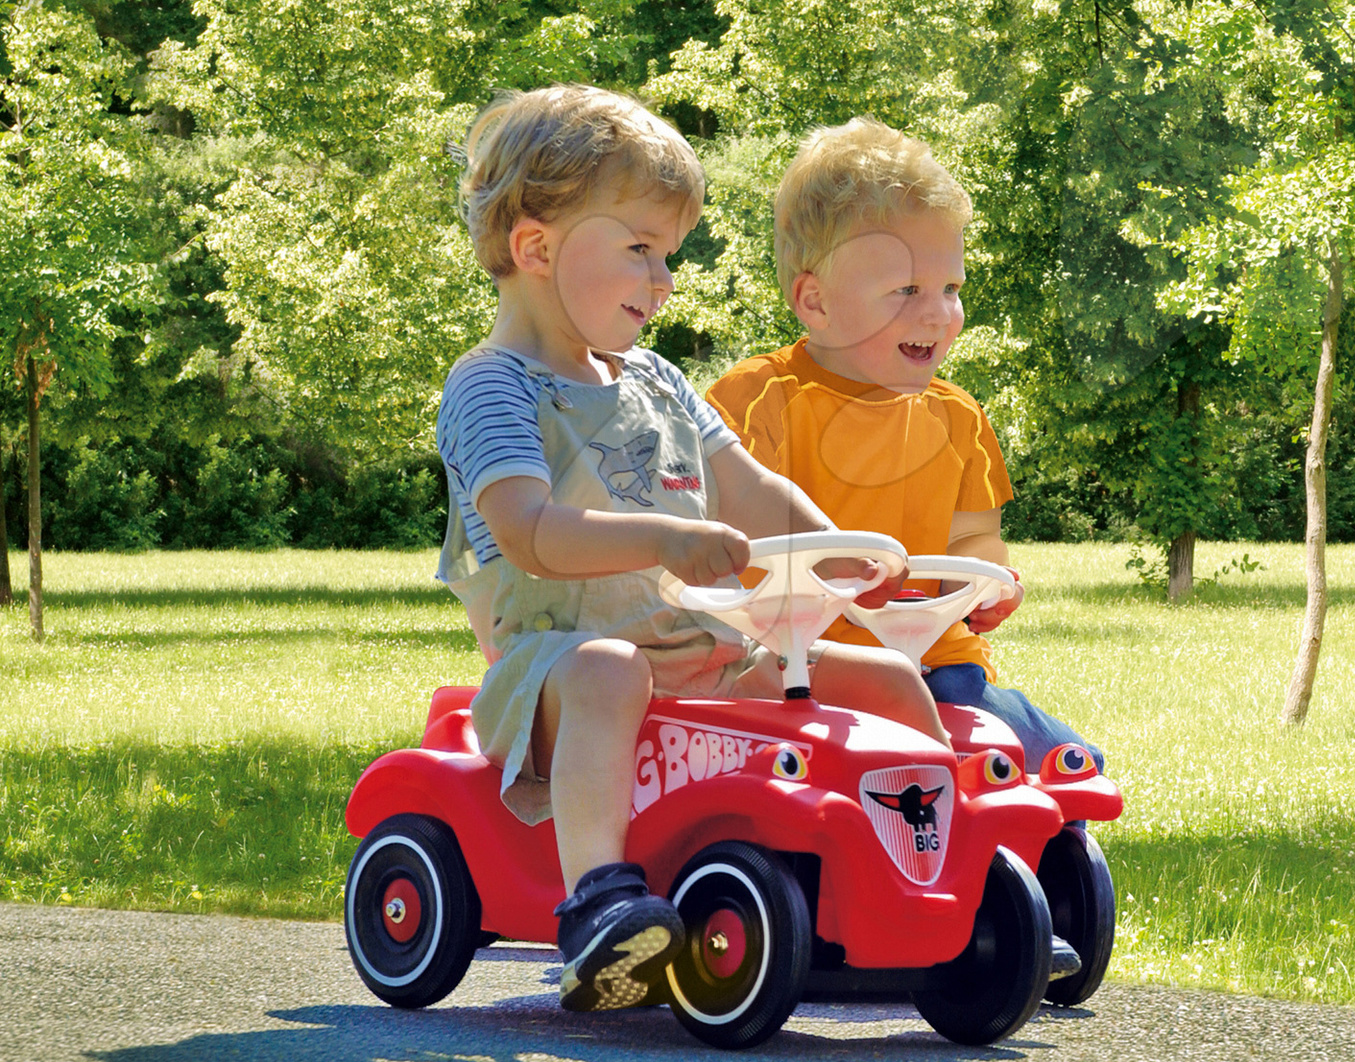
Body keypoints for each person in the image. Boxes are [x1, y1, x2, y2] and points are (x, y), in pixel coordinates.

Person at [437, 87, 945, 1013]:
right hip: (553, 667)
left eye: (667, 254)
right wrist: (671, 535)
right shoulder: (492, 388)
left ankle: (941, 889)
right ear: (537, 247)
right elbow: (531, 534)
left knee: (889, 684)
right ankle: (599, 906)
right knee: (608, 670)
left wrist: (846, 553)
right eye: (639, 248)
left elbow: (753, 491)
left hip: (705, 647)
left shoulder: (660, 381)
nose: (664, 278)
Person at [705, 117, 1103, 775]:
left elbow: (973, 542)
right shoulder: (757, 401)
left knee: (1058, 763)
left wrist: (989, 583)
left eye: (950, 289)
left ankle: (1039, 868)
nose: (937, 313)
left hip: (943, 670)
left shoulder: (958, 416)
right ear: (816, 301)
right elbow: (730, 551)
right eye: (906, 291)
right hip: (803, 674)